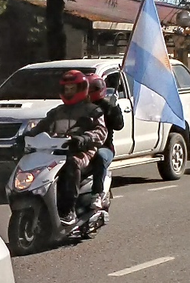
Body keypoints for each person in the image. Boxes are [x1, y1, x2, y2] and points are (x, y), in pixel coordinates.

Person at [24, 70, 107, 225]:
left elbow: (101, 132)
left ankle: (69, 210)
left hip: (82, 151)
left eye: (72, 88)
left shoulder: (92, 110)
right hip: (55, 151)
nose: (69, 92)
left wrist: (83, 138)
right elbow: (41, 127)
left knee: (72, 164)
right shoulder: (56, 111)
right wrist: (27, 135)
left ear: (81, 88)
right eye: (66, 89)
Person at [86, 74, 124, 210]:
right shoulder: (79, 106)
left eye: (91, 88)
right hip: (83, 147)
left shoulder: (107, 106)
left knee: (100, 156)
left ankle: (97, 194)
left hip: (104, 147)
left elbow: (119, 125)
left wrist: (115, 110)